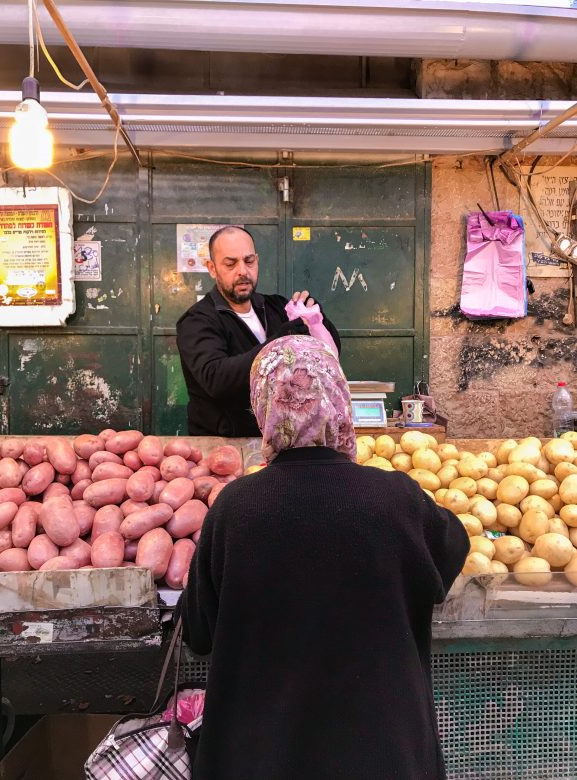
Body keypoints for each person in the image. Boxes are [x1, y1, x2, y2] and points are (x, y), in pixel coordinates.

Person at [178, 335, 470, 780]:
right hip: (383, 757)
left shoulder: (234, 508)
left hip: (260, 759)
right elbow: (452, 553)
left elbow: (198, 632)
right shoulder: (396, 498)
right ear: (339, 399)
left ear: (263, 407)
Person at [176, 225, 340, 437]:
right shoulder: (197, 321)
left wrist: (318, 321)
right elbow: (216, 379)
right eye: (230, 263)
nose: (243, 271)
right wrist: (277, 344)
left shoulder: (276, 307)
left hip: (281, 441)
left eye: (249, 261)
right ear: (212, 268)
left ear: (257, 261)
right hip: (226, 443)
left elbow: (328, 358)